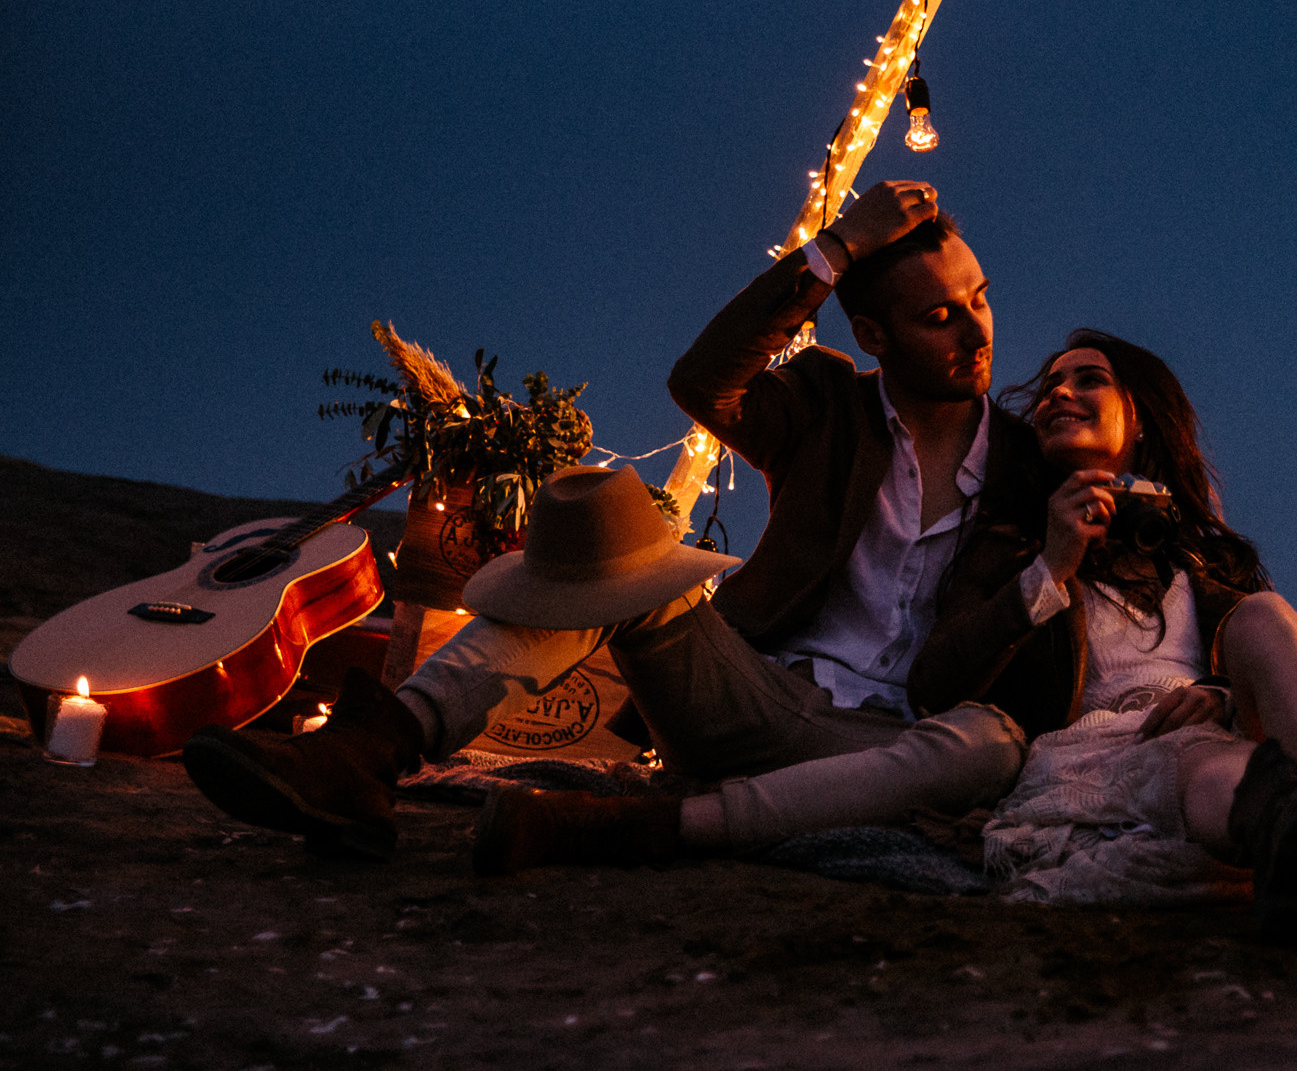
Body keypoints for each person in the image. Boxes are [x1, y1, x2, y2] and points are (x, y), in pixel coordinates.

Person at [184, 181, 1041, 870]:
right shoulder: (825, 404)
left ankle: (649, 827)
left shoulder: (1028, 466)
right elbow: (705, 381)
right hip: (755, 697)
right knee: (614, 548)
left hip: (892, 745)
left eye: (980, 299)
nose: (976, 330)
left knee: (990, 742)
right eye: (939, 315)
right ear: (872, 335)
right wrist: (837, 246)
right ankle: (367, 753)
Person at [907, 330, 1297, 935]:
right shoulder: (1008, 547)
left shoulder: (1195, 563)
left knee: (1265, 615)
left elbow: (1251, 672)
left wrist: (1221, 692)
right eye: (1050, 385)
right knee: (1198, 756)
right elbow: (934, 686)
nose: (1060, 393)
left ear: (1140, 418)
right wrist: (1051, 565)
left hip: (1222, 736)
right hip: (1106, 761)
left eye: (1088, 379)